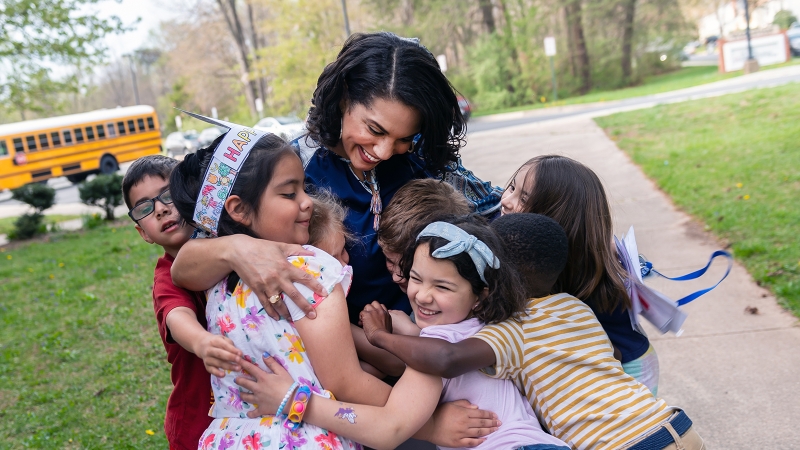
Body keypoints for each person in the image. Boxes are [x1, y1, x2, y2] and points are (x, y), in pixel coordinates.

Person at [171, 31, 503, 325]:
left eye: (404, 137)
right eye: (374, 130)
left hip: (437, 345)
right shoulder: (292, 168)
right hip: (346, 364)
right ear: (344, 98)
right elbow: (185, 267)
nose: (386, 151)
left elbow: (497, 215)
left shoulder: (421, 157)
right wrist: (235, 247)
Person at [354, 213, 705, 450]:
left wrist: (381, 336)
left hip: (620, 444)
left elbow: (446, 358)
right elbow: (608, 356)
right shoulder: (572, 306)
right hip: (672, 425)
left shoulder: (513, 328)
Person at [235, 216, 570, 450]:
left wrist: (294, 401)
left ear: (481, 294)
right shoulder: (477, 328)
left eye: (442, 286)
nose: (422, 295)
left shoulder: (438, 347)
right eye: (417, 278)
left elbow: (389, 429)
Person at [169, 130, 370, 449]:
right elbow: (346, 385)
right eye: (290, 194)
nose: (307, 202)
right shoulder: (307, 269)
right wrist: (425, 412)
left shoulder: (214, 280)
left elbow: (183, 265)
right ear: (238, 209)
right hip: (304, 436)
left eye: (303, 187)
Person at [500, 155, 660, 394]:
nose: (506, 201)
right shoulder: (558, 254)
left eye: (523, 198)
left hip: (627, 366)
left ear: (555, 216)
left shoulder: (576, 269)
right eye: (511, 187)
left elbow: (601, 347)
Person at [122, 155, 242, 450]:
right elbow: (176, 316)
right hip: (199, 424)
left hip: (246, 412)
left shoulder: (228, 243)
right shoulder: (167, 277)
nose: (161, 209)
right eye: (145, 208)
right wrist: (202, 342)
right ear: (142, 232)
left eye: (168, 195)